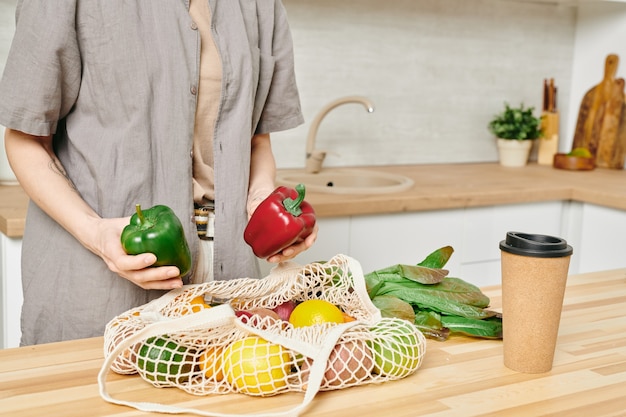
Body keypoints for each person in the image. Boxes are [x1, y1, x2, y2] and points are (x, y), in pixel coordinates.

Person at [0, 0, 317, 346]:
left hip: (229, 280)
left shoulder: (260, 5)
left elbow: (256, 140)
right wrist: (97, 233)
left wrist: (260, 201)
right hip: (99, 279)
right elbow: (25, 140)